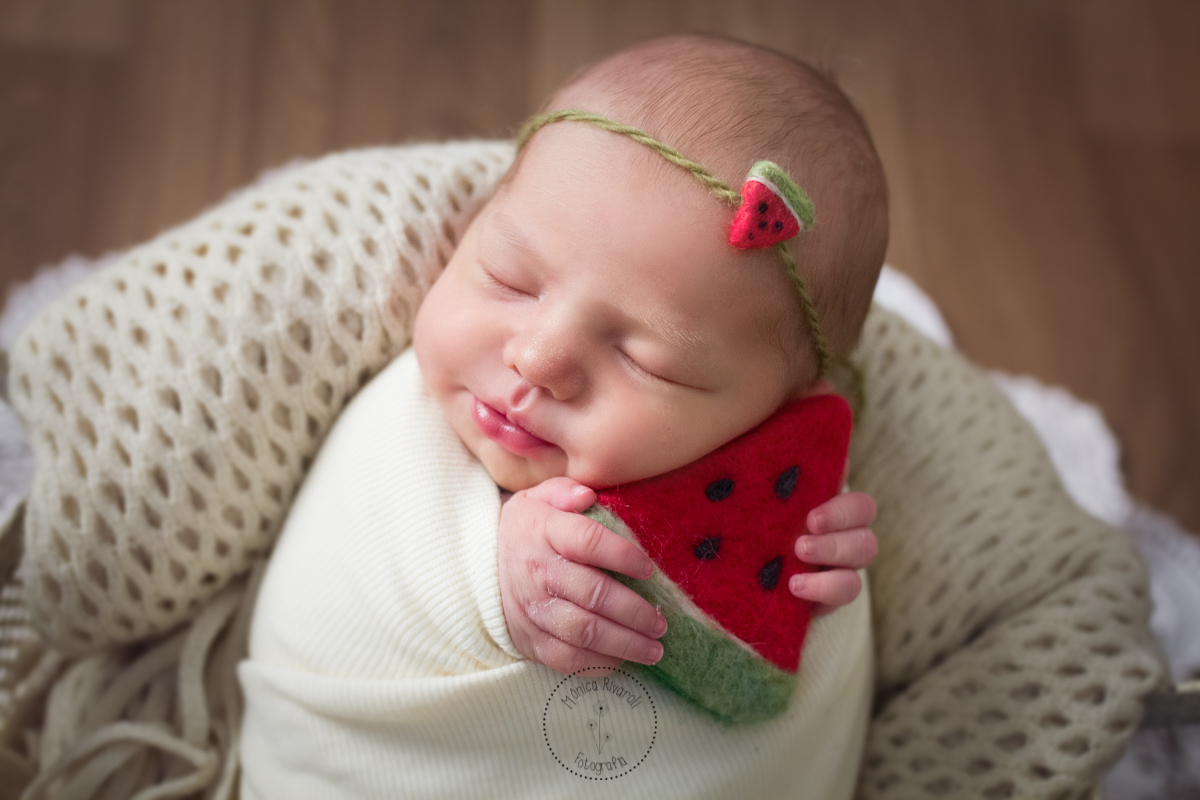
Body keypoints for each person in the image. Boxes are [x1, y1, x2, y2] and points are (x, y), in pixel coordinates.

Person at [240, 33, 888, 798]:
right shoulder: (405, 418)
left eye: (645, 361)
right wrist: (486, 578)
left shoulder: (782, 474)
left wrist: (813, 573)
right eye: (510, 279)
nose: (539, 360)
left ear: (784, 412)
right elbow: (342, 576)